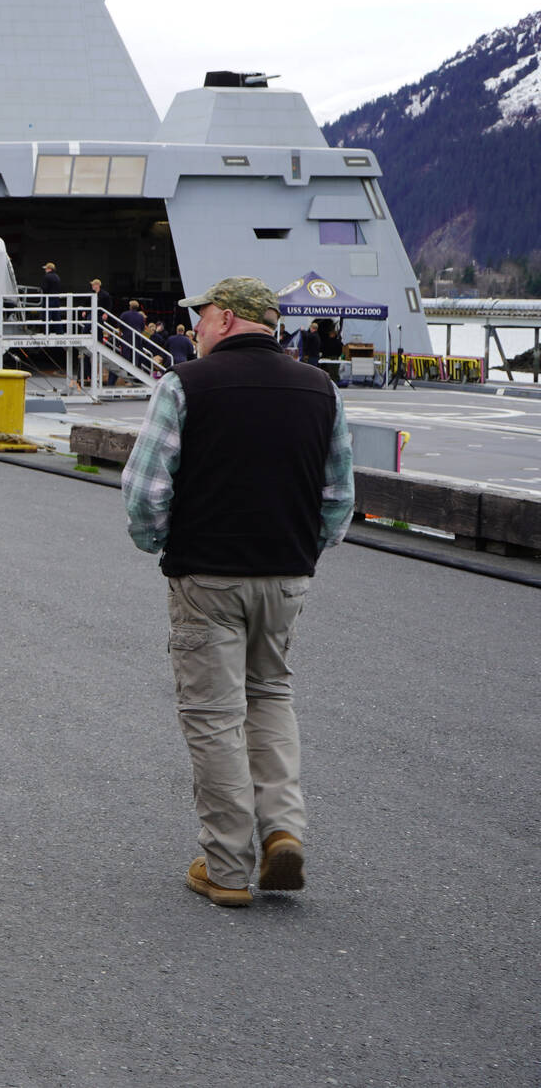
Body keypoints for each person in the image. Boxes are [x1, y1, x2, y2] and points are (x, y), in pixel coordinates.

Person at [120, 277, 353, 908]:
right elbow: (339, 496)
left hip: (208, 575)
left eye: (201, 318)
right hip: (286, 576)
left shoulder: (184, 385)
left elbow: (145, 490)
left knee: (214, 717)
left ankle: (226, 866)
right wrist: (306, 551)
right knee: (271, 695)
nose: (194, 327)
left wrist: (157, 543)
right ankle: (283, 829)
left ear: (225, 318)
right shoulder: (321, 389)